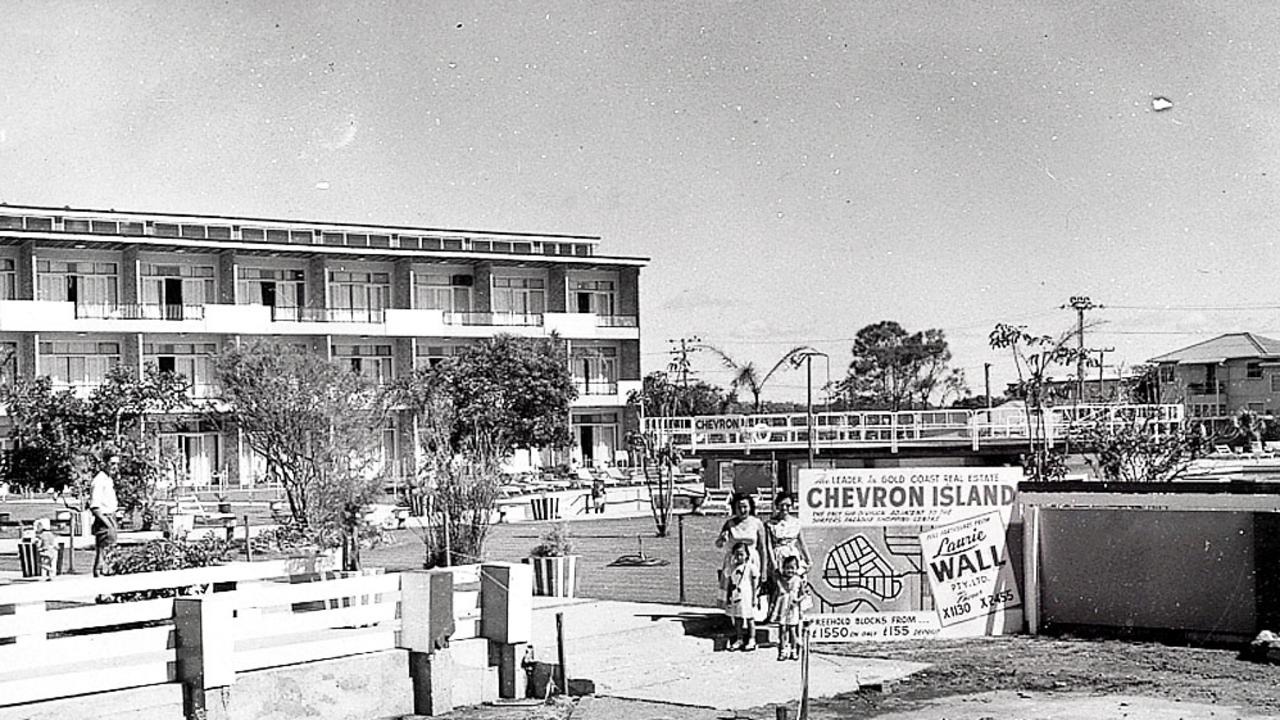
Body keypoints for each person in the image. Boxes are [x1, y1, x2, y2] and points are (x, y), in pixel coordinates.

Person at [766, 491, 812, 615]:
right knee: (778, 586)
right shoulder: (771, 524)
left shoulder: (796, 523)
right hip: (778, 555)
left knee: (795, 585)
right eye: (781, 505)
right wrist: (773, 563)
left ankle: (797, 613)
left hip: (792, 556)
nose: (784, 508)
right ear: (777, 505)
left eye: (788, 505)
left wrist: (808, 559)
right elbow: (769, 546)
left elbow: (801, 542)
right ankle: (775, 614)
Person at [770, 555, 810, 660]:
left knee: (793, 629)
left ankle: (794, 650)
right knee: (782, 629)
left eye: (792, 568)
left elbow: (803, 594)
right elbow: (776, 591)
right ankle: (783, 650)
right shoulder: (780, 580)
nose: (790, 570)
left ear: (796, 568)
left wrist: (798, 600)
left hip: (793, 608)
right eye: (787, 568)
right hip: (783, 607)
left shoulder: (798, 580)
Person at [722, 541, 759, 651]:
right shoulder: (731, 568)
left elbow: (754, 584)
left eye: (741, 554)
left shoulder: (750, 567)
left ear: (747, 555)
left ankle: (752, 639)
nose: (739, 556)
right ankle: (739, 638)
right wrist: (728, 597)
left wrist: (754, 597)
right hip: (736, 595)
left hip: (747, 595)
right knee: (737, 618)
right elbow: (729, 584)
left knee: (749, 618)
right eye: (736, 554)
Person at [89, 454, 120, 577]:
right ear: (104, 464)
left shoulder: (108, 479)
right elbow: (95, 507)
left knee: (109, 554)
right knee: (104, 553)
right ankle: (100, 583)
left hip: (111, 517)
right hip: (104, 519)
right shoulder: (99, 481)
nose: (115, 467)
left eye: (117, 464)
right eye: (112, 463)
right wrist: (108, 525)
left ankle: (105, 586)